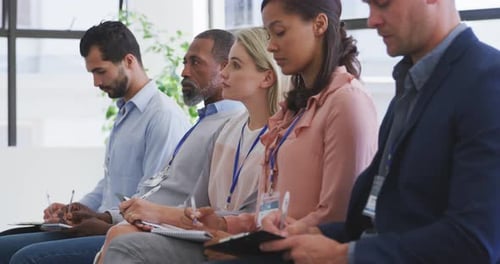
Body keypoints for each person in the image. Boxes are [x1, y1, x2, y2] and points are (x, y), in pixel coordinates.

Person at [212, 0, 500, 263]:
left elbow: (477, 240)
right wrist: (315, 233)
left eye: (383, 5)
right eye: (369, 6)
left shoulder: (486, 81)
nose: (372, 20)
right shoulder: (410, 85)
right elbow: (378, 220)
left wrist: (345, 254)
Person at [9, 28, 244, 264]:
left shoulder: (168, 117)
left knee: (24, 257)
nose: (96, 82)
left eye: (100, 71)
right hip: (123, 222)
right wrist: (84, 210)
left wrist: (106, 223)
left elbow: (165, 198)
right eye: (184, 62)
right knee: (6, 241)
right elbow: (114, 183)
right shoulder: (194, 121)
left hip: (141, 227)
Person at [99, 26, 285, 264]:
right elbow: (195, 204)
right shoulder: (227, 130)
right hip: (206, 235)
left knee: (123, 241)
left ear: (267, 77)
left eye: (235, 65)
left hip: (240, 242)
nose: (224, 73)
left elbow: (259, 216)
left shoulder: (281, 136)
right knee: (120, 235)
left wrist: (157, 215)